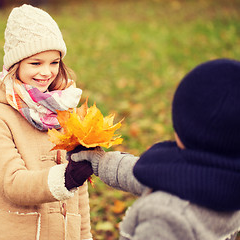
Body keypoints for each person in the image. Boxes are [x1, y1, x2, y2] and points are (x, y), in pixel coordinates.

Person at [70, 58, 240, 240]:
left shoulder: (164, 216)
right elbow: (142, 175)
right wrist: (100, 162)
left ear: (184, 126)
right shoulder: (225, 182)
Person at [0, 4, 93, 240]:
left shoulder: (64, 111)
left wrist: (85, 235)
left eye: (54, 62)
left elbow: (80, 193)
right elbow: (13, 183)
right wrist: (67, 177)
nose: (47, 72)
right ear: (15, 65)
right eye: (36, 63)